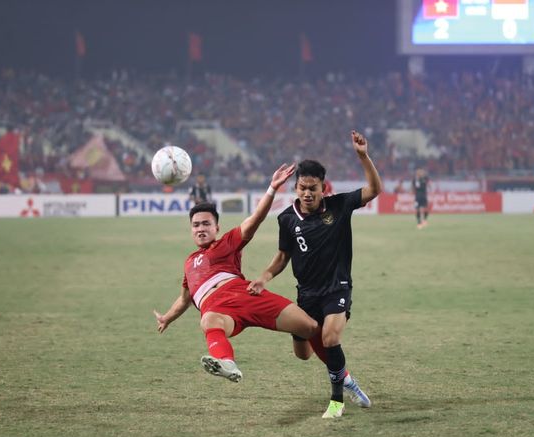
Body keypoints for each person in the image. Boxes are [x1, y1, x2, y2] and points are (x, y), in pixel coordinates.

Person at [248, 130, 383, 418]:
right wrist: (264, 277)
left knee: (331, 339)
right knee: (304, 354)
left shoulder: (339, 205)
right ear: (295, 188)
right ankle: (346, 379)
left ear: (324, 187)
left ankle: (336, 400)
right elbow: (283, 256)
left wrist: (363, 157)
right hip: (306, 294)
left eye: (313, 188)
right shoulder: (286, 219)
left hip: (337, 287)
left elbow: (374, 190)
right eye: (302, 187)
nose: (307, 193)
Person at [153, 163, 318, 384]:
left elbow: (254, 221)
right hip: (216, 308)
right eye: (195, 225)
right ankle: (227, 363)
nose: (200, 228)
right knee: (209, 321)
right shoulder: (189, 262)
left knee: (311, 329)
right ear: (191, 230)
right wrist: (167, 318)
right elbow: (185, 298)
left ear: (216, 228)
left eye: (206, 224)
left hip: (245, 294)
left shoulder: (226, 243)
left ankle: (342, 377)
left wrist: (272, 188)